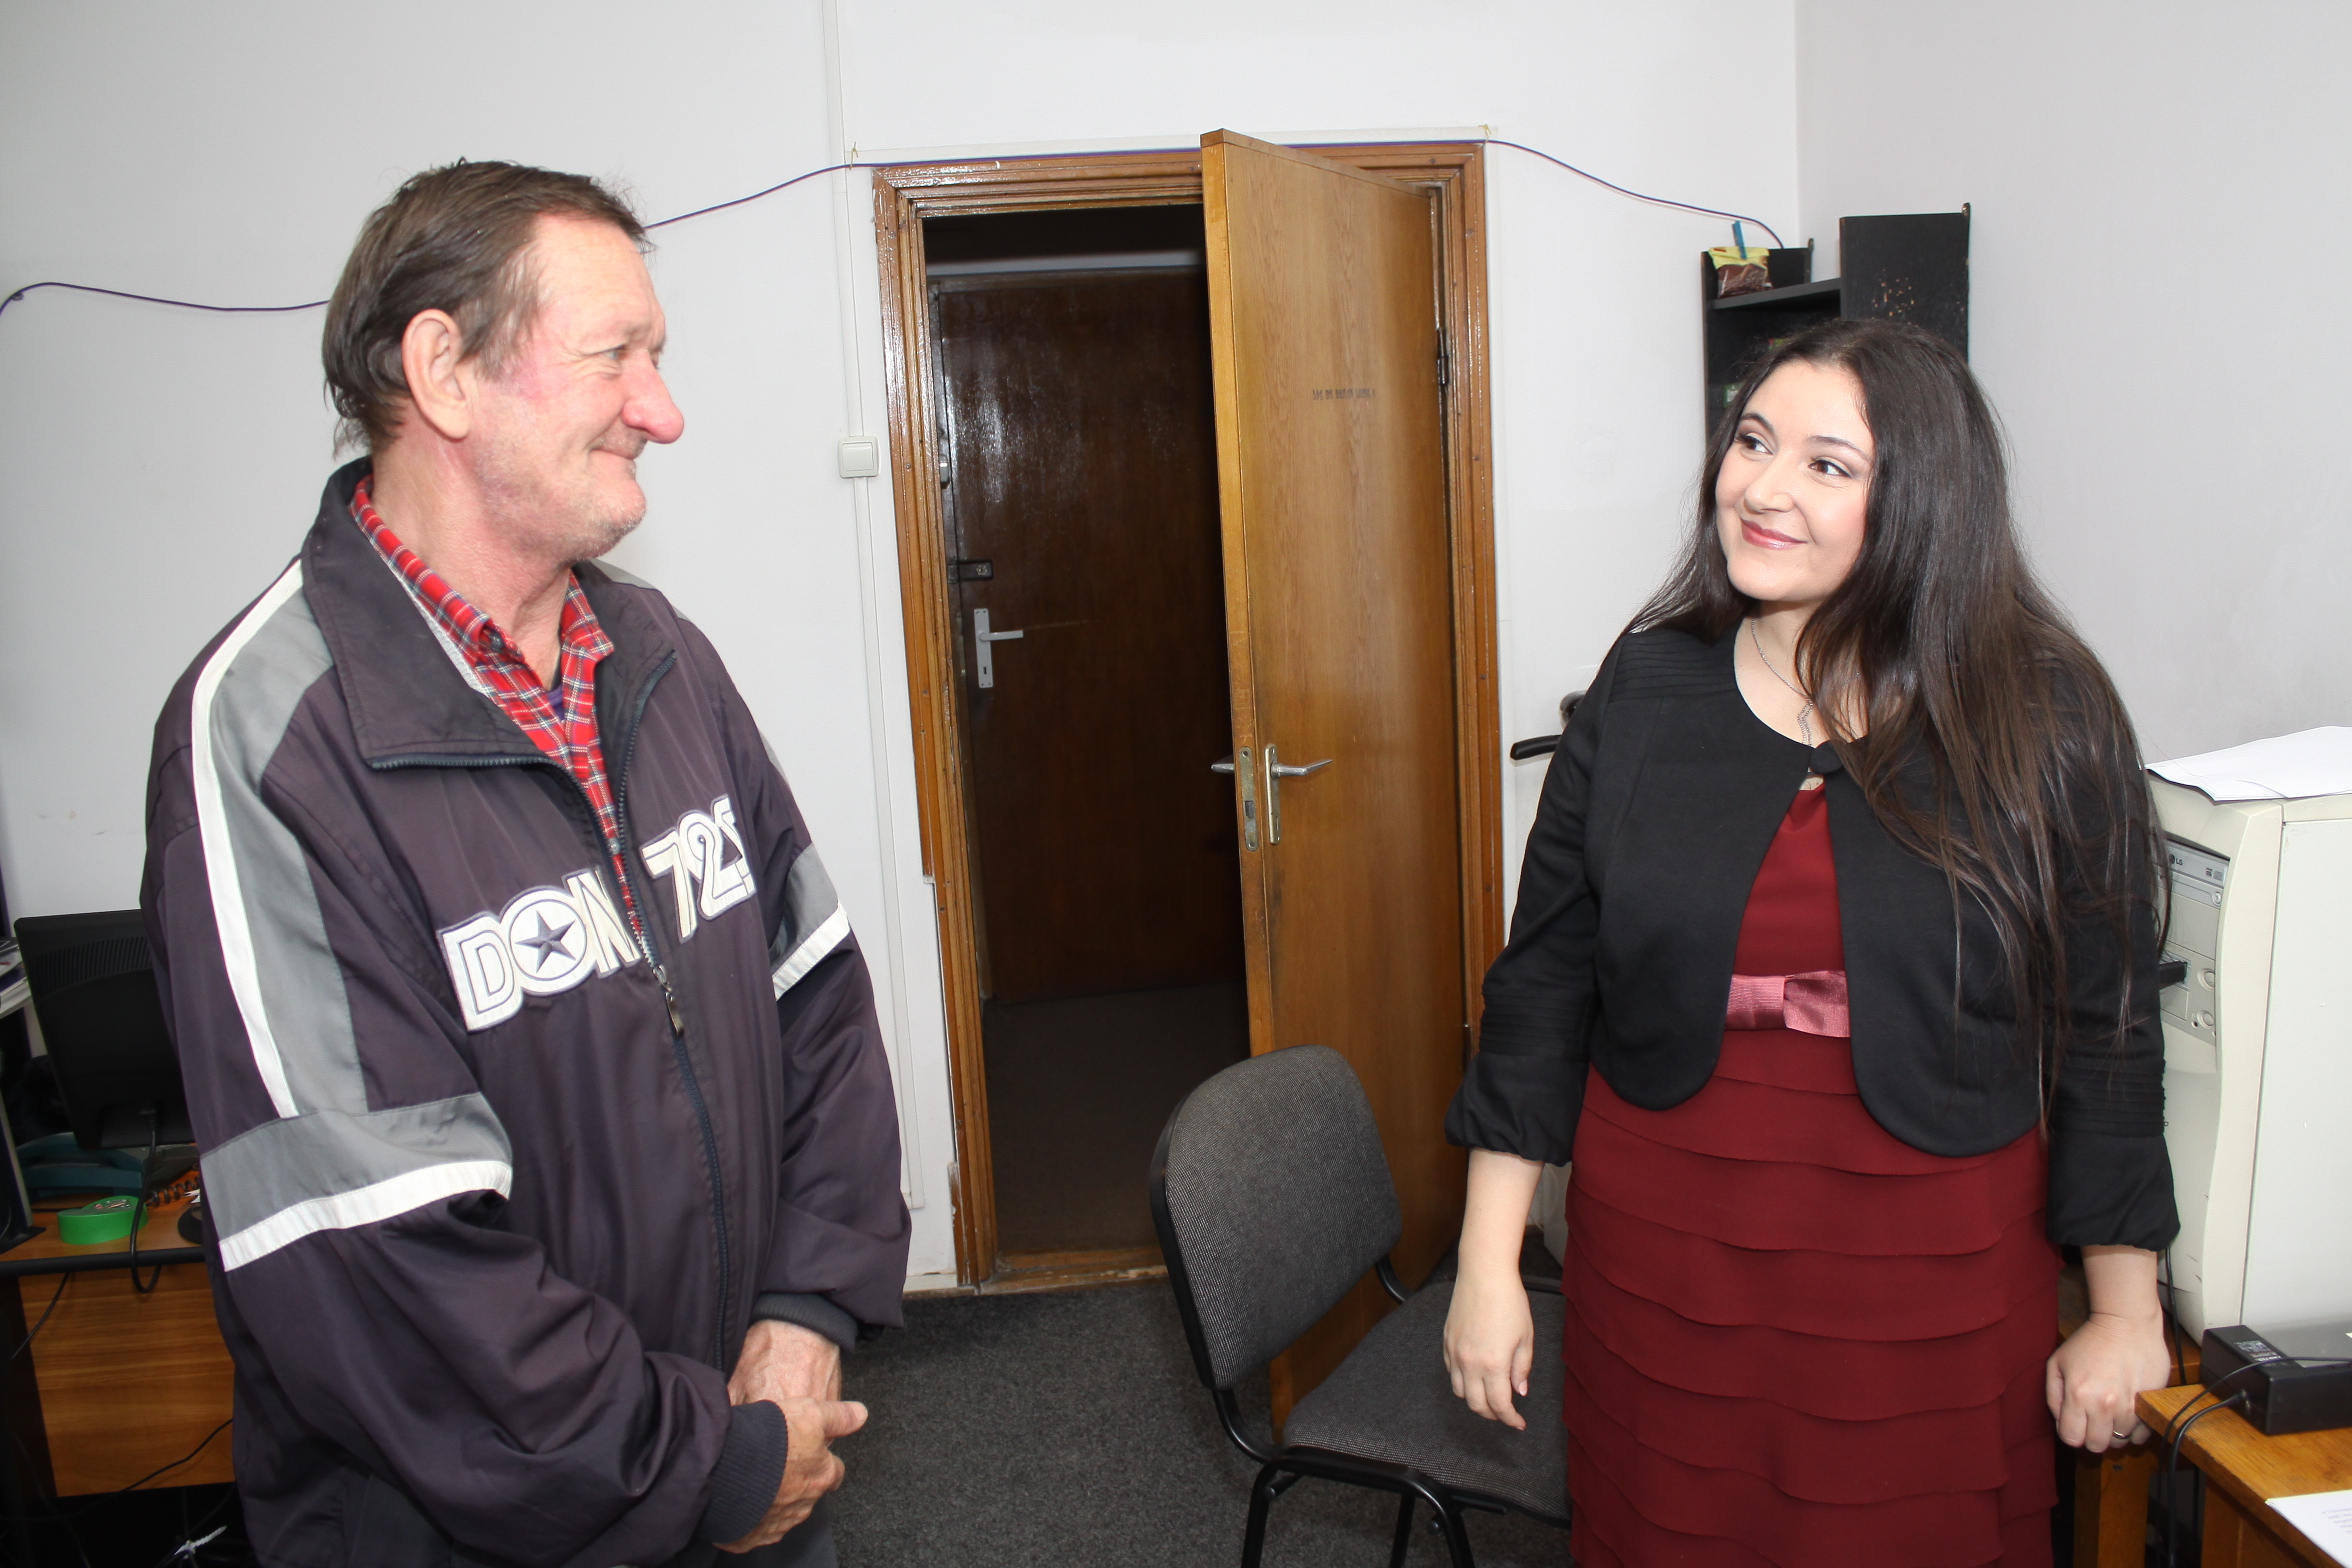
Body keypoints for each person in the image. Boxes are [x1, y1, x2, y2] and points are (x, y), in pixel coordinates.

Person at [140, 162, 909, 1567]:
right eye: (617, 355)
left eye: (656, 358)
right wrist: (701, 1462)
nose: (663, 411)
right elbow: (380, 1258)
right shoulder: (267, 737)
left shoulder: (662, 656)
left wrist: (804, 1313)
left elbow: (819, 1001)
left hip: (747, 1448)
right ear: (444, 370)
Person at [1441, 318, 2176, 1567]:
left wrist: (2125, 1308)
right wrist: (1486, 1259)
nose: (1762, 486)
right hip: (1667, 1253)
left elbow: (2107, 1027)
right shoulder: (1644, 688)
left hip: (1929, 1263)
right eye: (1752, 441)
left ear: (1924, 501)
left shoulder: (2042, 713)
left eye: (1828, 464)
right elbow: (1543, 989)